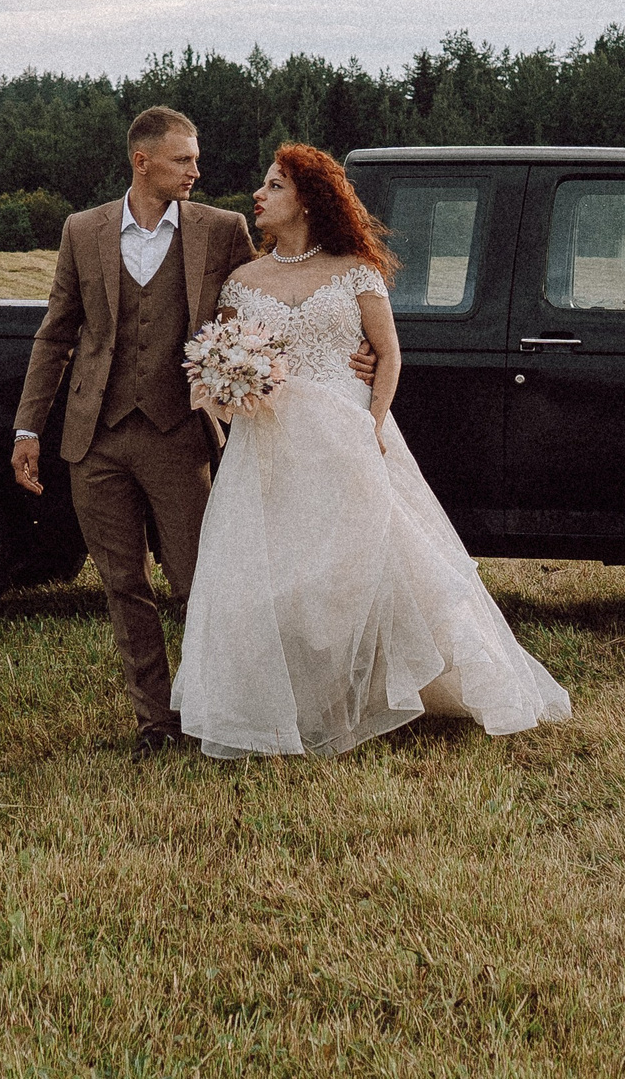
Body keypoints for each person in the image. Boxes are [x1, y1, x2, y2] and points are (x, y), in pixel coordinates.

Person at [172, 143, 570, 758]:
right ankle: (288, 703)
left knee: (364, 564)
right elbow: (221, 360)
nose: (258, 195)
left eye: (273, 186)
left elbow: (389, 354)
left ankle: (375, 688)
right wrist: (229, 381)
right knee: (275, 571)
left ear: (306, 198)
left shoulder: (356, 270)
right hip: (270, 444)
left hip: (347, 434)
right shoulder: (242, 282)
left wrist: (373, 423)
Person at [11, 109, 375, 759]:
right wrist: (28, 426)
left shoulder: (223, 228)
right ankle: (157, 722)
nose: (196, 170)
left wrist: (350, 349)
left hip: (179, 433)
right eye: (183, 159)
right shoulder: (83, 230)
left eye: (195, 158)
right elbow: (57, 335)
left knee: (200, 581)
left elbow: (266, 306)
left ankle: (225, 710)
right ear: (142, 161)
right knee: (124, 585)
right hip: (94, 439)